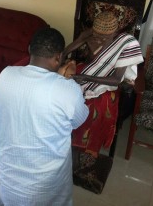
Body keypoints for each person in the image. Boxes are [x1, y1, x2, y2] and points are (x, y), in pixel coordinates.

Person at [0, 27, 89, 206]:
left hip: (9, 176)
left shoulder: (5, 74)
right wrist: (66, 83)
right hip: (46, 184)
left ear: (30, 50)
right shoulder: (67, 89)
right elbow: (80, 119)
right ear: (59, 58)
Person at [62, 11, 144, 157]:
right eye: (96, 34)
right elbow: (67, 50)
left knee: (97, 105)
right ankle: (62, 138)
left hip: (109, 78)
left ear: (115, 31)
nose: (99, 38)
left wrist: (85, 77)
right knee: (63, 93)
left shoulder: (125, 43)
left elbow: (117, 79)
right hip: (87, 70)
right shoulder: (90, 34)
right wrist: (59, 63)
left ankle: (87, 146)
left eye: (104, 37)